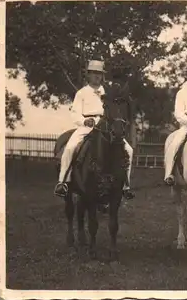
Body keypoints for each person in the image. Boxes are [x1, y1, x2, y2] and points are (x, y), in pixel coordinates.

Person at [54, 59, 135, 200]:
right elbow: (74, 113)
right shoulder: (82, 93)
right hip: (87, 126)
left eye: (99, 73)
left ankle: (125, 185)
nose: (97, 76)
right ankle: (63, 182)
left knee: (128, 150)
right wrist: (84, 120)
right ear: (88, 75)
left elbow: (116, 109)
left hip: (106, 126)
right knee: (70, 147)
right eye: (94, 73)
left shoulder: (108, 91)